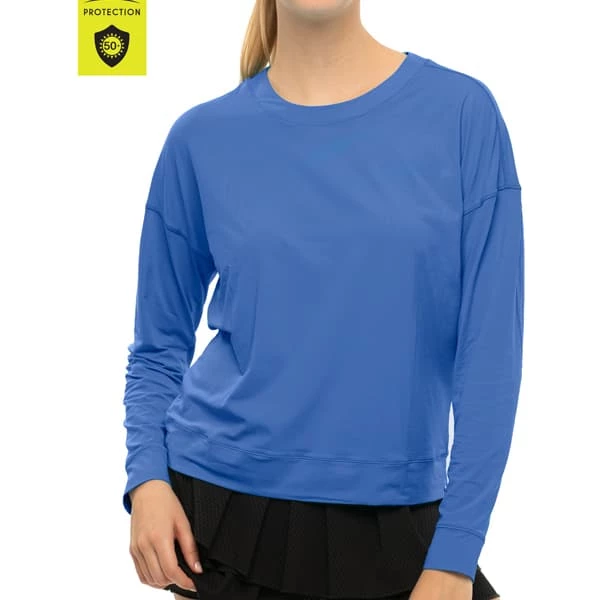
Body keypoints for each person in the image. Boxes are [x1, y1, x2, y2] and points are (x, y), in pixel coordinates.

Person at [122, 1, 524, 599]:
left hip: (401, 521)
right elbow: (158, 345)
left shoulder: (462, 115)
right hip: (222, 520)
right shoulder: (201, 138)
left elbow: (490, 354)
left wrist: (457, 552)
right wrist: (147, 481)